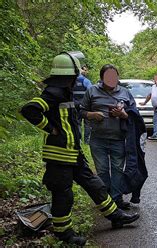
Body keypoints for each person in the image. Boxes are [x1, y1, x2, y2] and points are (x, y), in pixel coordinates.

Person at [20, 53, 139, 246]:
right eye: (76, 74)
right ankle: (64, 234)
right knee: (63, 195)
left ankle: (116, 215)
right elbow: (29, 109)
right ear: (70, 74)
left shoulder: (63, 92)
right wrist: (50, 128)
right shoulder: (52, 93)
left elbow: (71, 114)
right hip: (59, 156)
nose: (78, 78)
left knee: (95, 184)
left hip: (72, 153)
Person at [80, 64, 135, 210]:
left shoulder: (125, 92)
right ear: (101, 78)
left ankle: (116, 200)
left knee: (117, 169)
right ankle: (107, 200)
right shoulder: (92, 91)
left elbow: (134, 115)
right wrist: (92, 115)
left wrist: (123, 115)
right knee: (102, 170)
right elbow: (81, 111)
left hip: (119, 138)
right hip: (98, 139)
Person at [72, 65, 92, 144]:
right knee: (87, 123)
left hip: (75, 105)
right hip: (85, 105)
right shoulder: (86, 81)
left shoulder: (72, 81)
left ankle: (78, 139)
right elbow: (91, 92)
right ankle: (86, 141)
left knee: (77, 123)